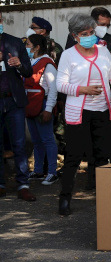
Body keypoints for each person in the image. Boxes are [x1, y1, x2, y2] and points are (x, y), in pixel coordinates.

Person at [56, 13, 111, 215]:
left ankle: (103, 198)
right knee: (74, 156)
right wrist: (83, 90)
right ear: (75, 36)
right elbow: (60, 85)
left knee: (103, 155)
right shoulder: (68, 55)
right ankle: (65, 199)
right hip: (80, 112)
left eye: (91, 32)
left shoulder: (103, 51)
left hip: (103, 110)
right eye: (84, 33)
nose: (89, 36)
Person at [65, 7, 111, 190]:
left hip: (106, 99)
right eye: (100, 24)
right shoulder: (75, 39)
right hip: (82, 102)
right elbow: (70, 63)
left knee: (110, 143)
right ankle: (92, 181)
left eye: (107, 25)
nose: (103, 29)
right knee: (88, 145)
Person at [0, 12, 36, 201]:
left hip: (14, 101)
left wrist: (19, 64)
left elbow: (29, 71)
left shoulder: (15, 42)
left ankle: (23, 184)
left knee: (19, 144)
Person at [24, 34, 59, 186]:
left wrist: (49, 109)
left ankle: (52, 172)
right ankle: (38, 170)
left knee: (47, 139)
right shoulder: (29, 62)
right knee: (36, 140)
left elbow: (53, 89)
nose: (26, 47)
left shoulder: (47, 63)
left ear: (37, 47)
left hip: (43, 104)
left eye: (28, 44)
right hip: (30, 105)